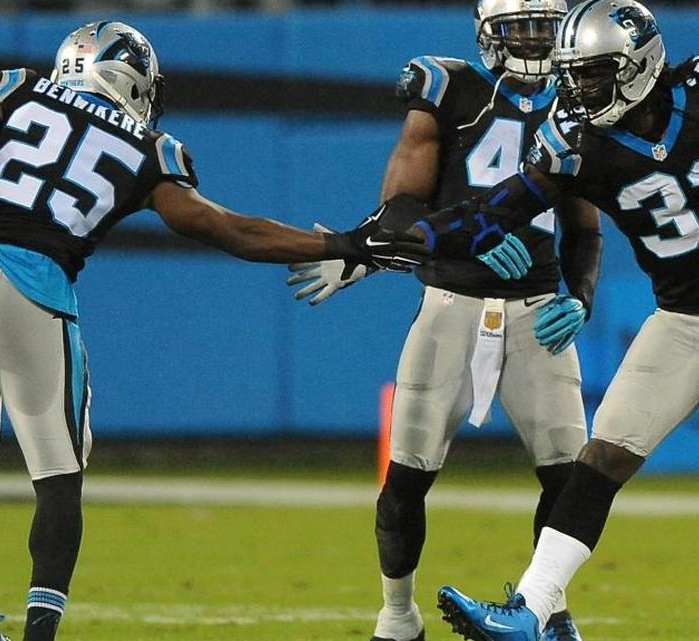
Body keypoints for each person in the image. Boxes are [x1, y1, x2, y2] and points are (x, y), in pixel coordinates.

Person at [0, 21, 426, 641]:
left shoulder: (20, 87)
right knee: (58, 475)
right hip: (30, 282)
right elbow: (223, 228)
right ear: (132, 78)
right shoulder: (153, 148)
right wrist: (337, 241)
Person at [399, 2, 699, 640]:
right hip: (682, 317)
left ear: (637, 65)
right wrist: (396, 238)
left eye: (593, 73)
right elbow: (499, 209)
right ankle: (529, 612)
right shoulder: (573, 140)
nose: (577, 88)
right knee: (601, 458)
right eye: (573, 74)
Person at [287, 3, 601, 641]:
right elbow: (399, 211)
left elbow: (584, 227)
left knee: (568, 479)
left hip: (539, 309)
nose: (537, 42)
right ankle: (398, 615)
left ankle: (548, 612)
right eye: (523, 29)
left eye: (547, 27)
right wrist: (471, 239)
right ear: (489, 35)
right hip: (452, 306)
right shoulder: (449, 89)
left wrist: (583, 297)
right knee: (407, 475)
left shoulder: (581, 103)